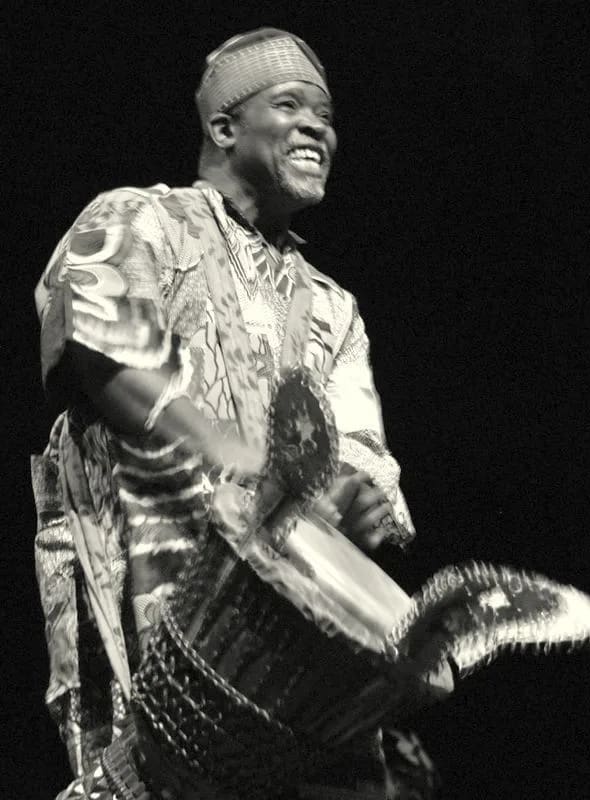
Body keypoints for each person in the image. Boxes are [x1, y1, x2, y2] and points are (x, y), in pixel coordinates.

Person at [32, 28, 439, 799]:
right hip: (153, 594)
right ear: (225, 127)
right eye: (290, 106)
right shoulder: (141, 220)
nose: (318, 128)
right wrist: (232, 454)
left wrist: (355, 498)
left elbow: (362, 451)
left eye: (327, 116)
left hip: (284, 642)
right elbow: (99, 345)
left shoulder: (333, 308)